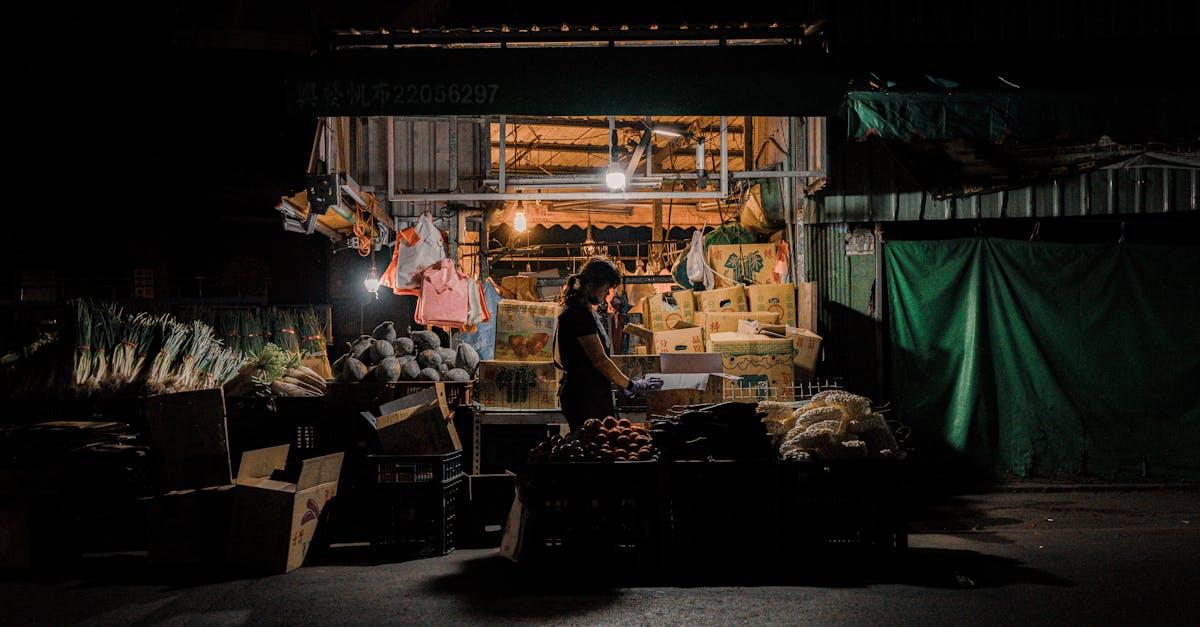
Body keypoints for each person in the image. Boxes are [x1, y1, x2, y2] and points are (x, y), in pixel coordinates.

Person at [554, 257, 662, 431]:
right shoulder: (579, 315)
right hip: (584, 397)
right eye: (606, 289)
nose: (607, 295)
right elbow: (599, 360)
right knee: (596, 446)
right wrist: (631, 385)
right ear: (591, 286)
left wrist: (624, 384)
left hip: (590, 394)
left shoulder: (583, 312)